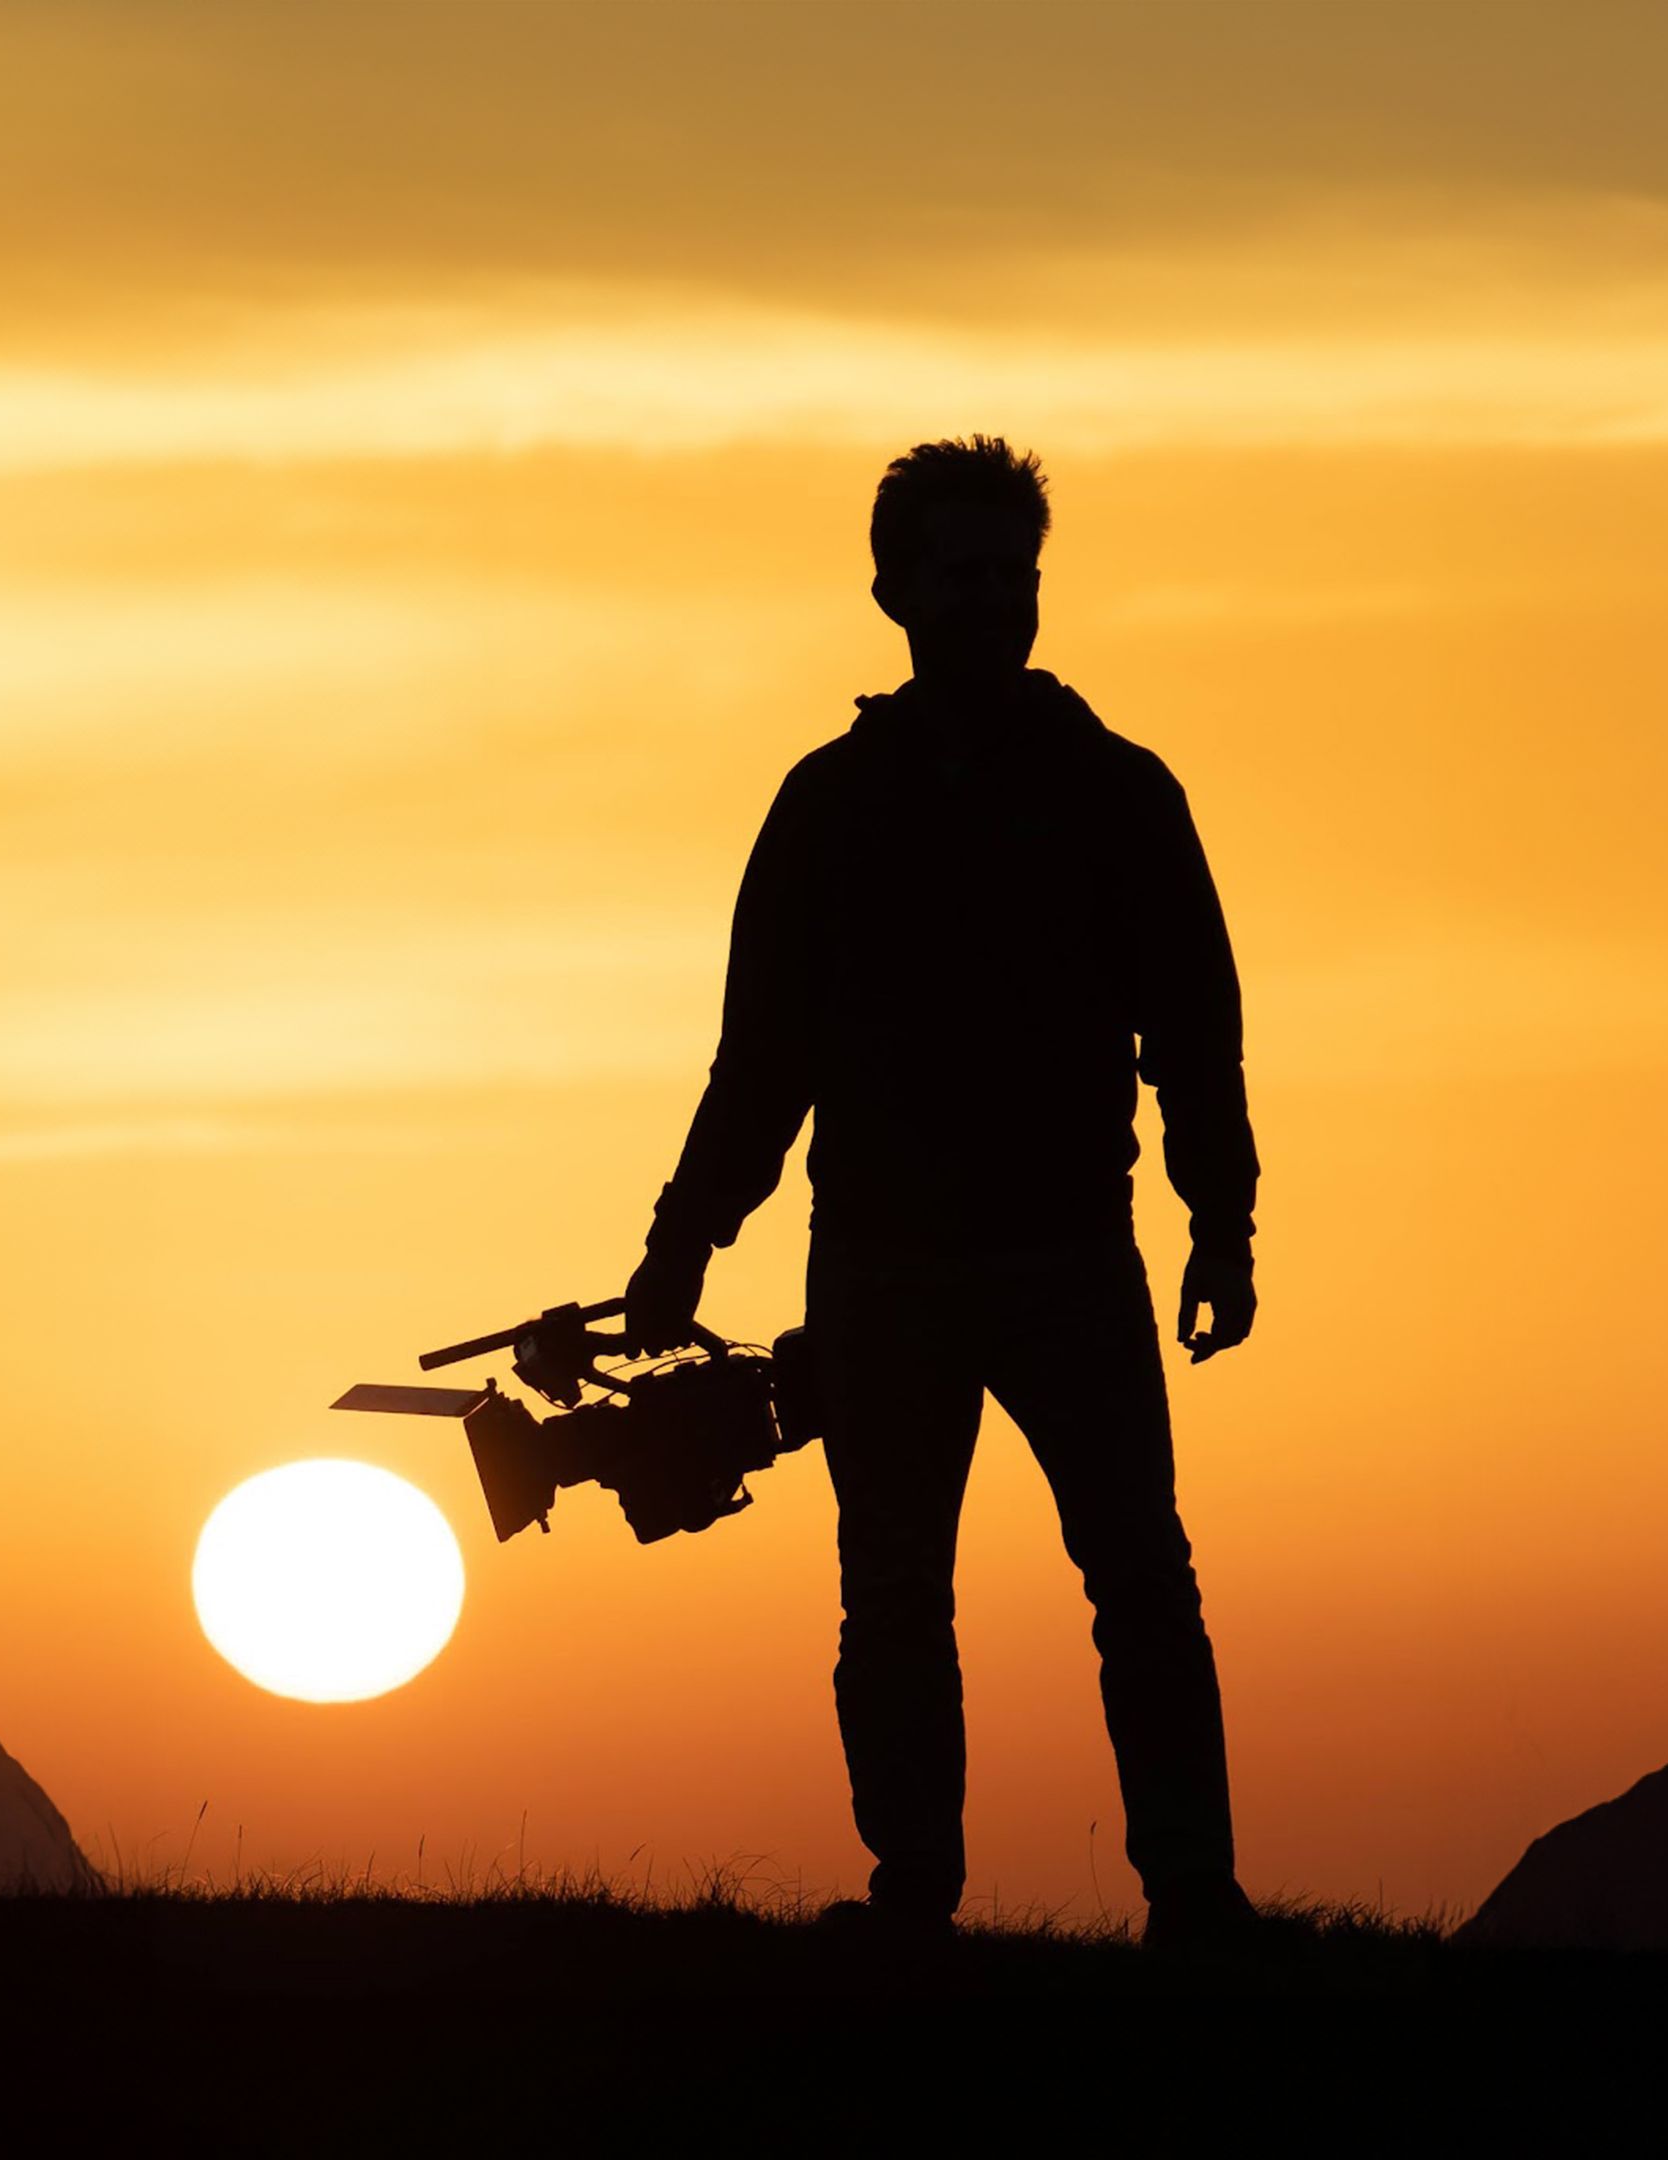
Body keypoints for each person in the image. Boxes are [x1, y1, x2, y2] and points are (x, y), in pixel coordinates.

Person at [623, 435, 1264, 1948]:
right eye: (963, 575)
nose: (993, 603)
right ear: (894, 592)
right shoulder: (832, 807)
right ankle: (915, 1891)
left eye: (1015, 577)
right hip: (884, 1265)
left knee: (1142, 1579)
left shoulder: (1119, 795)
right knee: (895, 1591)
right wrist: (678, 1249)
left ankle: (1195, 1897)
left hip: (1068, 1256)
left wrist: (1221, 1223)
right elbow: (760, 1060)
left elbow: (1196, 1032)